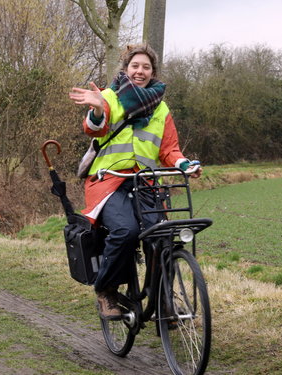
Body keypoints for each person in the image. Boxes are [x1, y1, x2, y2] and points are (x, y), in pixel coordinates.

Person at [69, 44, 201, 319]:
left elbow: (168, 149)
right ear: (126, 69)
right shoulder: (108, 96)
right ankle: (106, 291)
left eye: (146, 67)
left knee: (162, 236)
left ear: (153, 73)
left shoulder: (161, 109)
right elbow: (94, 127)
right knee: (126, 231)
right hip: (108, 184)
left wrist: (184, 164)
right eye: (135, 66)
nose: (140, 71)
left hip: (145, 184)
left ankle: (162, 299)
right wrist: (96, 110)